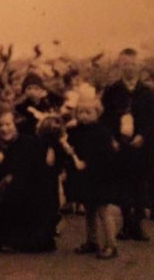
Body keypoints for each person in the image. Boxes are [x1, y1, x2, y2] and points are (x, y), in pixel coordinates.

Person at [0, 111, 57, 253]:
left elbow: (13, 167)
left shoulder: (26, 142)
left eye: (8, 124)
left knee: (13, 191)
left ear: (15, 125)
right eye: (0, 125)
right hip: (10, 187)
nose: (4, 129)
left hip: (30, 191)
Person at [100, 48, 154, 242]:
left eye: (132, 64)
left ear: (138, 66)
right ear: (120, 65)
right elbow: (104, 119)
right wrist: (112, 139)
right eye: (125, 64)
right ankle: (125, 223)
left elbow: (152, 119)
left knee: (140, 185)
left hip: (140, 147)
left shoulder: (147, 92)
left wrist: (143, 135)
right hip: (120, 146)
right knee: (123, 185)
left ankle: (138, 226)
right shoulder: (112, 91)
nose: (129, 68)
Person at [62, 96, 118, 259]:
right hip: (86, 178)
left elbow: (105, 155)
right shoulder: (77, 130)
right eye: (81, 112)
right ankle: (92, 241)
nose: (84, 116)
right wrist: (69, 151)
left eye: (88, 112)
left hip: (100, 177)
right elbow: (72, 146)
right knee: (90, 210)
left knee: (103, 211)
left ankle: (111, 244)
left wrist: (87, 162)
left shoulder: (102, 132)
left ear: (97, 113)